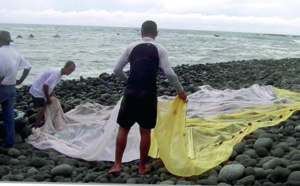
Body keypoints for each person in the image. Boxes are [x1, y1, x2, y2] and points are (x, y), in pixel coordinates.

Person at [109, 20, 187, 174]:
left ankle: (117, 165)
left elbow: (117, 69)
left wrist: (129, 81)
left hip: (131, 92)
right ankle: (141, 167)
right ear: (156, 33)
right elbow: (170, 73)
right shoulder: (160, 49)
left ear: (141, 32)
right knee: (145, 131)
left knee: (123, 129)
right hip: (148, 93)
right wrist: (181, 91)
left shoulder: (131, 47)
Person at [0, 30, 31, 148]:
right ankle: (9, 142)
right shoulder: (15, 53)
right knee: (9, 116)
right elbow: (28, 67)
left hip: (1, 87)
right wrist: (21, 81)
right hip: (11, 88)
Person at [29, 61, 76, 129]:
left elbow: (51, 85)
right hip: (37, 90)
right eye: (70, 69)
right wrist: (47, 99)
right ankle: (36, 126)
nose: (70, 72)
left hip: (40, 89)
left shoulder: (60, 74)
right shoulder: (56, 73)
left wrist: (52, 94)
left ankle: (44, 118)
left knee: (50, 102)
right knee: (43, 108)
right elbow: (45, 86)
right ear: (65, 67)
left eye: (72, 71)